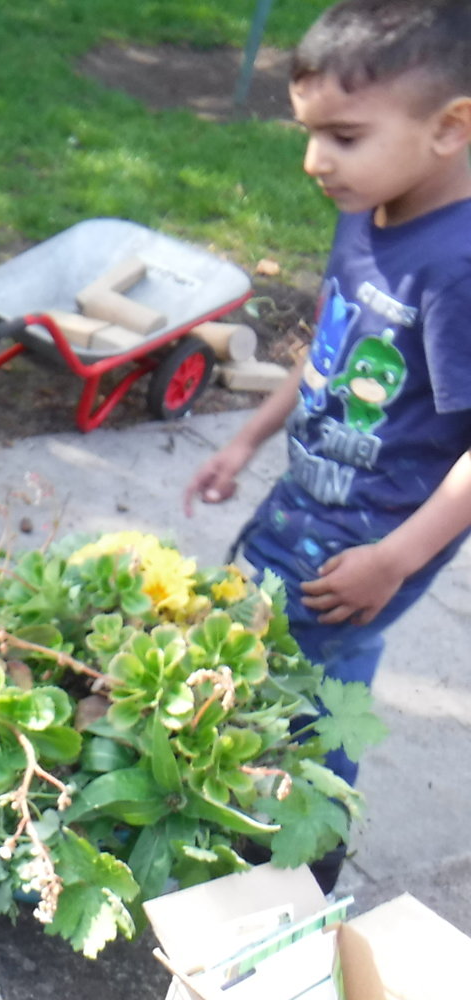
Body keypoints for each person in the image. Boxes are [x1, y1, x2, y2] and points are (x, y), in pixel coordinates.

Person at [184, 0, 471, 812]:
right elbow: (328, 351)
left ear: (450, 127)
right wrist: (246, 440)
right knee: (277, 663)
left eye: (344, 137)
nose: (316, 160)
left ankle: (310, 843)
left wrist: (396, 560)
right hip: (310, 501)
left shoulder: (456, 268)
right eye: (308, 133)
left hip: (372, 544)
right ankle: (256, 802)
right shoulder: (366, 211)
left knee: (317, 699)